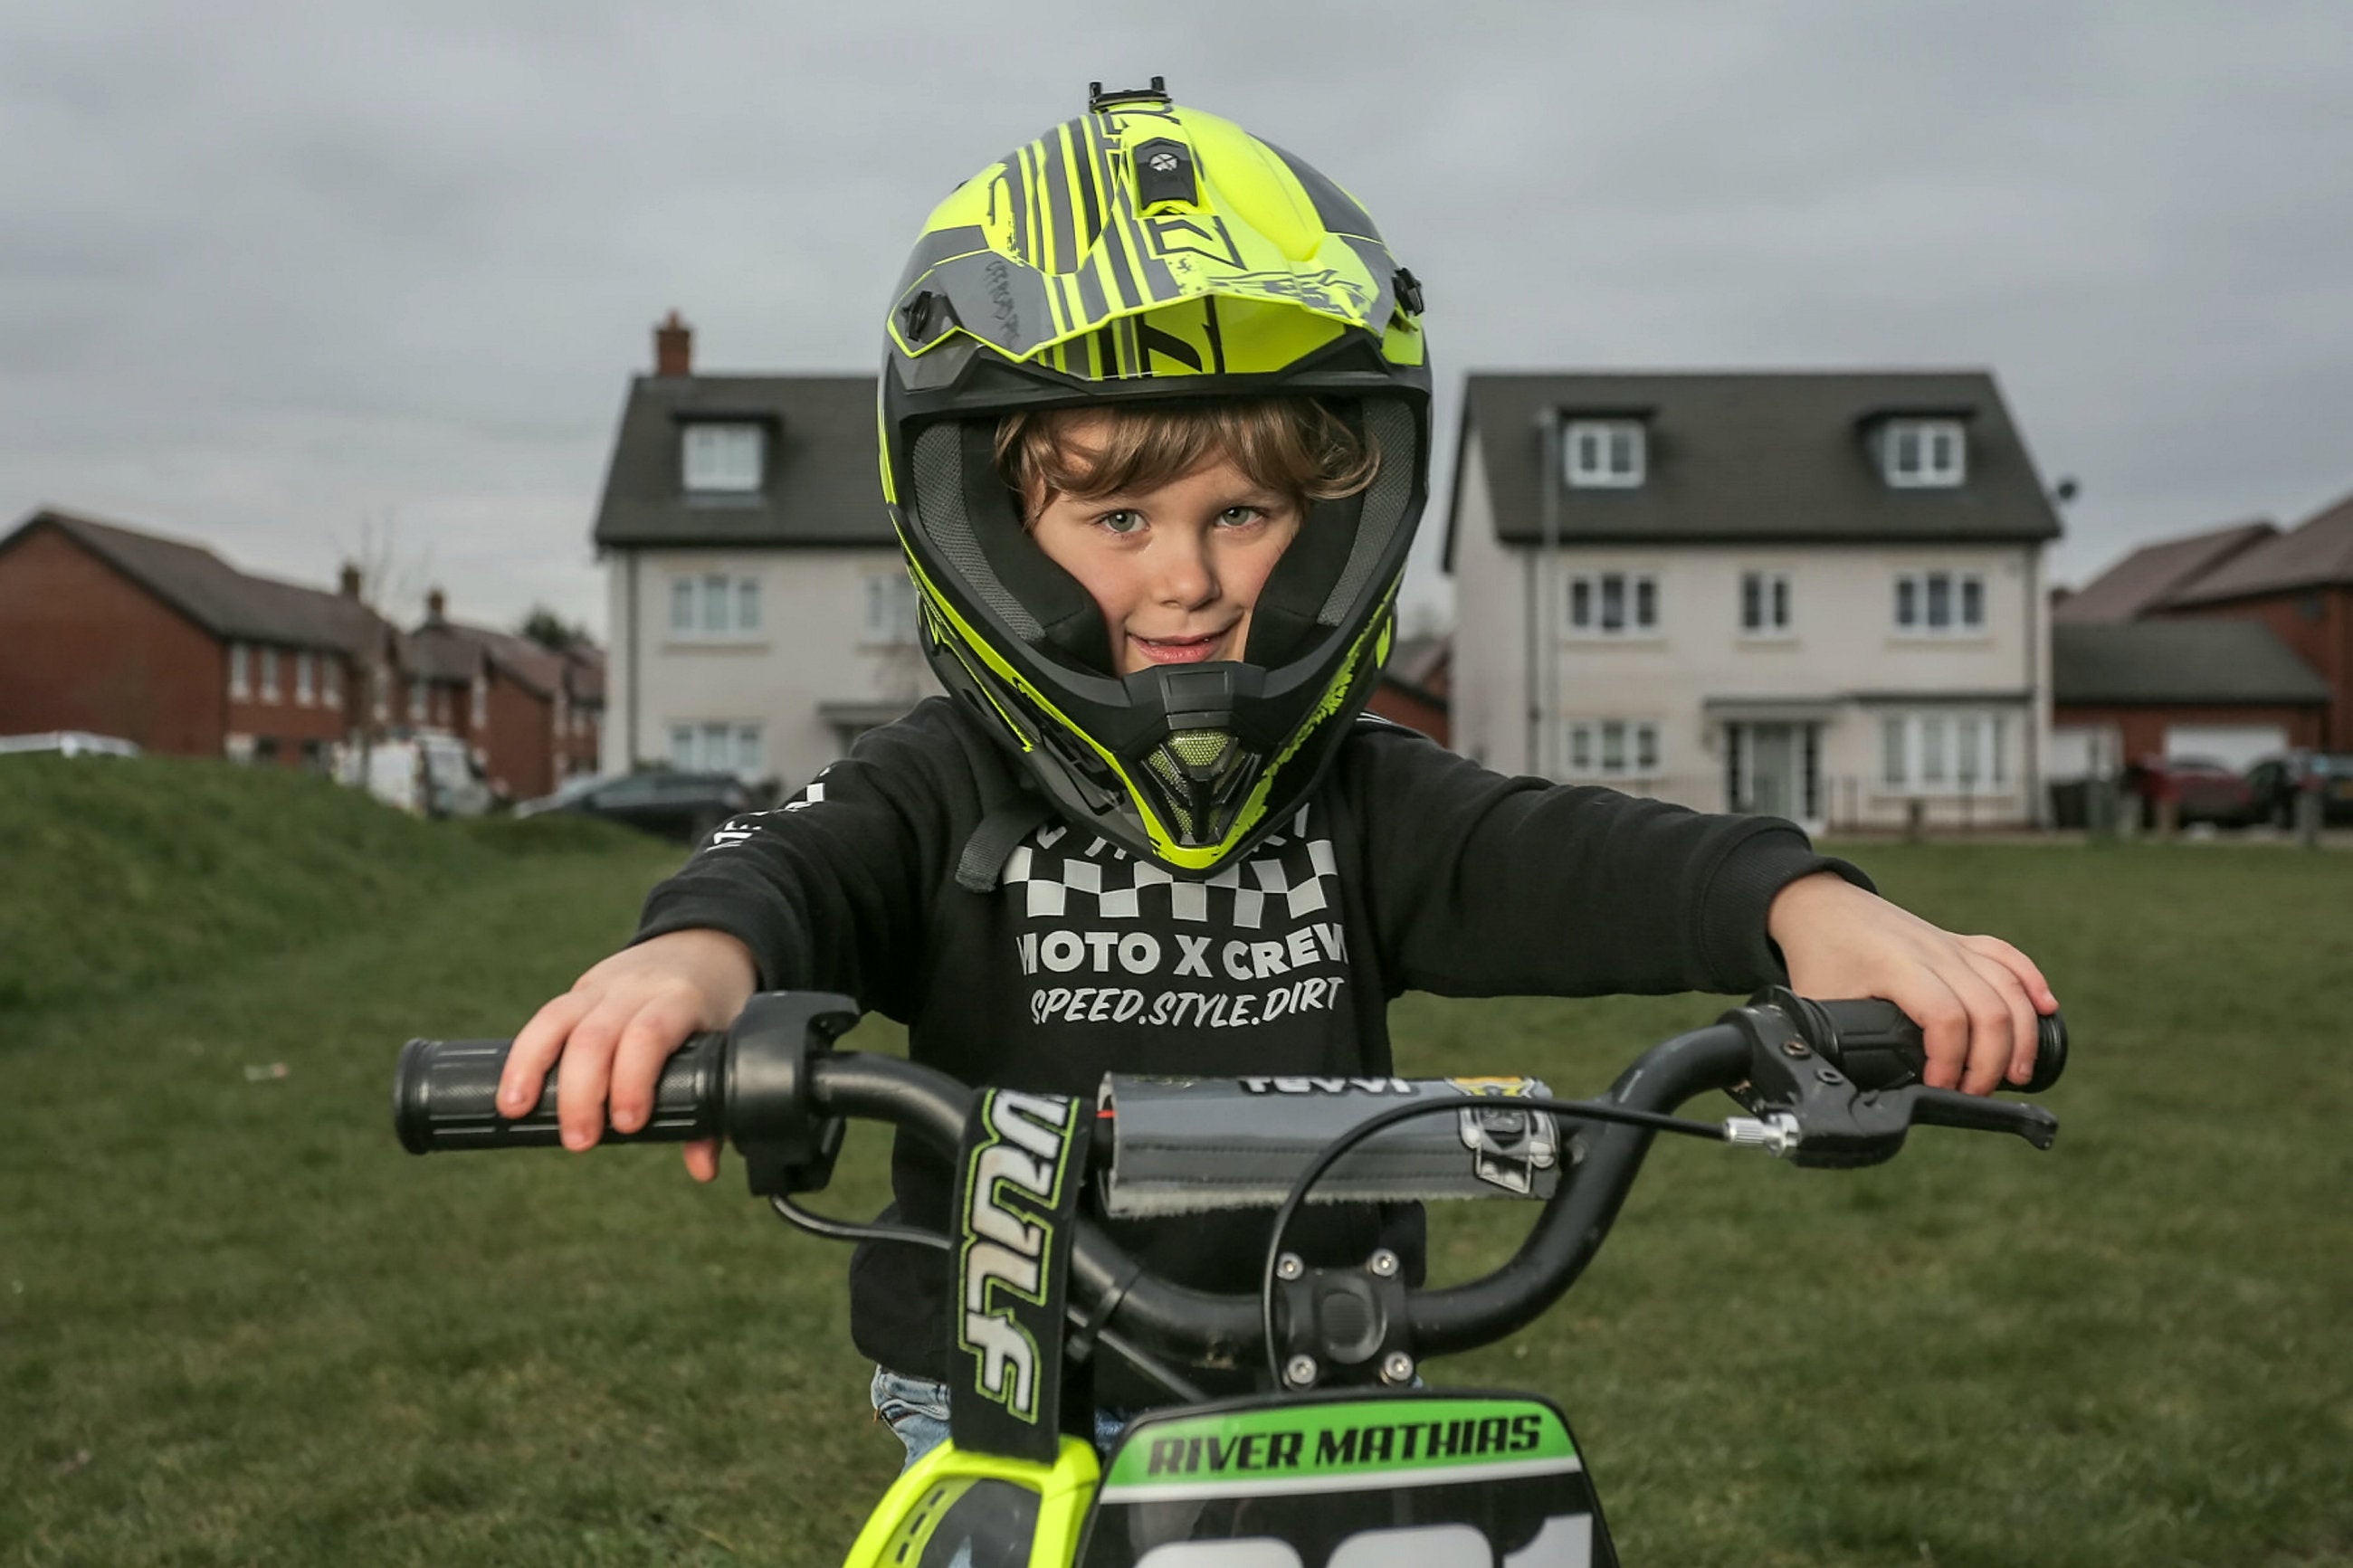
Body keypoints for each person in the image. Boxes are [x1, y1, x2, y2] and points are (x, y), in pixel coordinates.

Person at [496, 84, 2057, 1466]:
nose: (1187, 577)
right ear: (992, 527)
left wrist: (1797, 905)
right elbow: (790, 864)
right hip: (1001, 1398)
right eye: (1118, 522)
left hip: (1327, 1380)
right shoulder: (941, 779)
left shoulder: (1361, 794)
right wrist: (689, 962)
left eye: (1241, 513)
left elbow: (1573, 853)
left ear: (1328, 528)